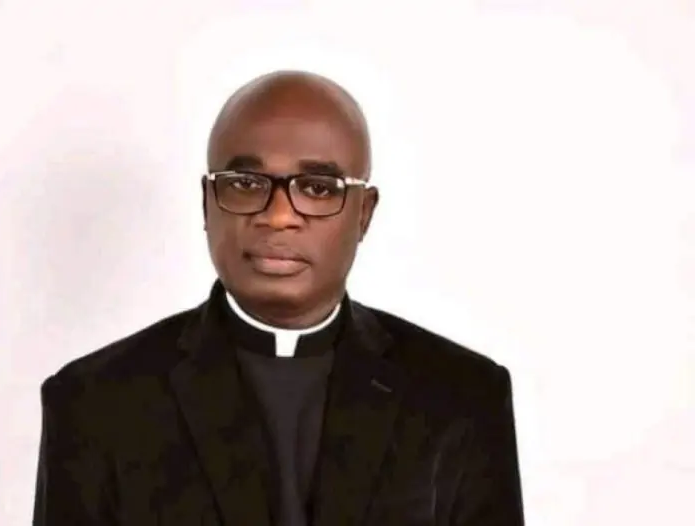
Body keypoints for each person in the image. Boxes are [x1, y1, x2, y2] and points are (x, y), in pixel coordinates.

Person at [33, 70, 525, 526]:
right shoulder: (94, 403)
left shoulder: (461, 397)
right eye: (246, 184)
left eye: (318, 188)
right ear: (207, 203)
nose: (279, 216)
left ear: (364, 214)